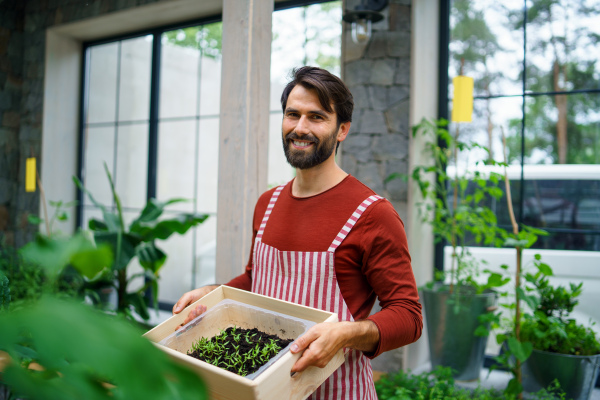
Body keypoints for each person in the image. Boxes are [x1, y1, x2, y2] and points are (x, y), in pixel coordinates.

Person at [173, 66, 422, 399]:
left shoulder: (373, 214)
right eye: (293, 114)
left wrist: (345, 333)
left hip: (335, 390)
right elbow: (256, 279)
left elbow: (408, 315)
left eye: (316, 117)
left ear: (342, 130)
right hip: (261, 388)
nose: (300, 128)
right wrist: (213, 292)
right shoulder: (267, 203)